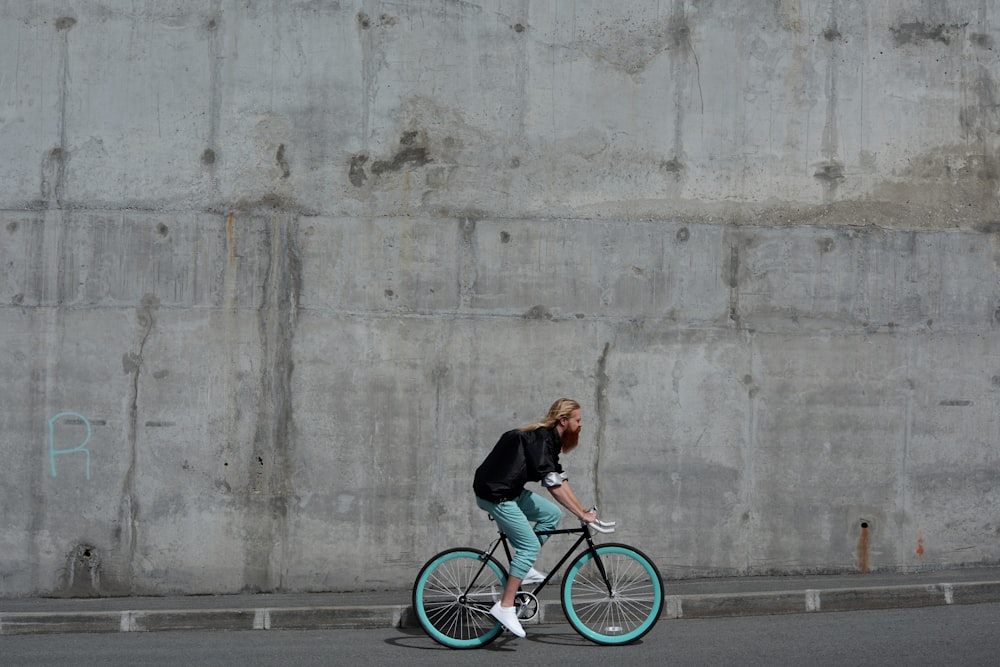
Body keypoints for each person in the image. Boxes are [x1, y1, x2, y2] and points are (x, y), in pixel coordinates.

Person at [473, 398, 598, 638]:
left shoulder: (550, 440)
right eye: (578, 420)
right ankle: (505, 606)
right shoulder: (541, 439)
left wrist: (582, 510)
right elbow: (553, 486)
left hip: (510, 490)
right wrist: (582, 514)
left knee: (552, 514)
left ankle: (524, 566)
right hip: (496, 494)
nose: (581, 425)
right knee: (529, 545)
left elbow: (559, 478)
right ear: (564, 421)